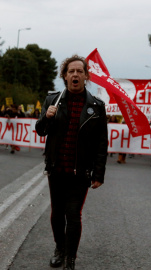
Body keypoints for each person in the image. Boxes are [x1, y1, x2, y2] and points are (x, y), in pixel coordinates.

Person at [35, 55, 108, 270]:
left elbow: (101, 143)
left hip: (80, 171)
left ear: (86, 76)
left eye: (79, 71)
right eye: (71, 71)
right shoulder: (52, 101)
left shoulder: (96, 107)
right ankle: (60, 248)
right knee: (57, 214)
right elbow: (40, 131)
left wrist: (98, 173)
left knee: (73, 215)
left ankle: (71, 258)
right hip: (57, 168)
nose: (75, 75)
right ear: (65, 76)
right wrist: (47, 117)